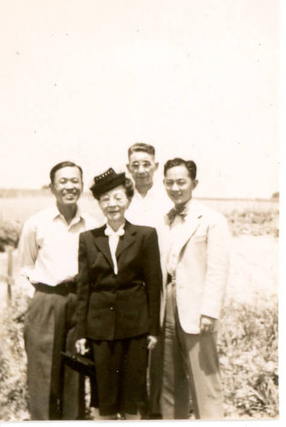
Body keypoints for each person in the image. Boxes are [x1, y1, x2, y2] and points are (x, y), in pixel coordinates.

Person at [75, 168, 162, 420]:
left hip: (135, 328)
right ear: (99, 204)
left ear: (128, 199)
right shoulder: (87, 239)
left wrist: (152, 329)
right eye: (105, 199)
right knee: (104, 397)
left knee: (132, 397)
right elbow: (84, 289)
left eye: (117, 197)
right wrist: (81, 332)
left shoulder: (146, 235)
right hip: (100, 330)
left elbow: (153, 285)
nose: (112, 204)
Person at [18, 161, 99, 420]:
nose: (69, 186)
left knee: (75, 370)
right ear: (52, 187)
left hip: (79, 300)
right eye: (63, 181)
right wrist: (37, 299)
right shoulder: (36, 223)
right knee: (43, 372)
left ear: (82, 186)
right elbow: (25, 266)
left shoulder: (93, 224)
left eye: (75, 181)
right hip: (46, 300)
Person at [160, 157, 230, 419]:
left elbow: (217, 269)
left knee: (205, 381)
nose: (175, 188)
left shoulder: (212, 220)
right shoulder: (166, 220)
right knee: (171, 378)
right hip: (168, 303)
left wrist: (210, 311)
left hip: (198, 309)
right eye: (169, 182)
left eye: (181, 182)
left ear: (194, 183)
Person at [125, 142, 170, 418]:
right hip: (131, 288)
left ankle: (159, 410)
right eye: (135, 165)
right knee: (134, 350)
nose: (141, 170)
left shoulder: (167, 200)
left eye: (146, 164)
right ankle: (135, 409)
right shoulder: (123, 199)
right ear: (128, 168)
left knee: (161, 350)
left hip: (162, 283)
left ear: (156, 165)